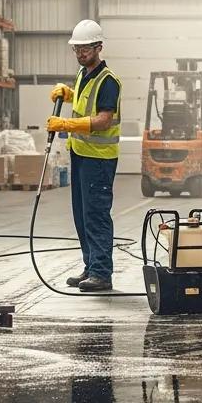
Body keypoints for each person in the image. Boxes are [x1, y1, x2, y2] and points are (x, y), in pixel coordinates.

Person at [48, 19, 122, 293]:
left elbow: (103, 119)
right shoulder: (83, 75)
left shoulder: (109, 81)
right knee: (81, 214)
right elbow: (82, 101)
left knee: (96, 215)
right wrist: (67, 94)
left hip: (99, 159)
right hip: (81, 155)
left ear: (98, 47)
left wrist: (66, 125)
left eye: (85, 49)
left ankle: (102, 272)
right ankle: (91, 265)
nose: (80, 54)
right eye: (77, 49)